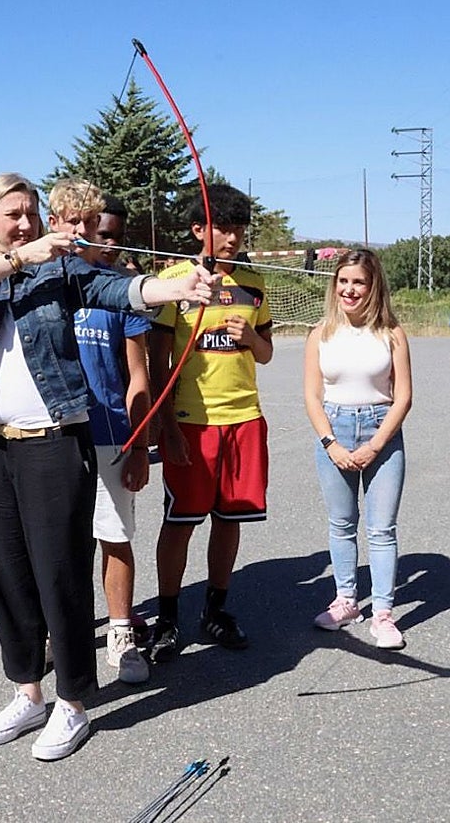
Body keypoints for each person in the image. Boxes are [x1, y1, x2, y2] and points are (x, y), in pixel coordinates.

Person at [0, 173, 214, 761]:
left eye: (32, 212)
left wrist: (180, 287)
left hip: (54, 442)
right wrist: (14, 258)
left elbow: (121, 292)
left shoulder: (63, 270)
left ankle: (74, 703)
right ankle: (28, 692)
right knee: (7, 572)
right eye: (14, 214)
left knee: (59, 572)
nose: (27, 222)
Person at [147, 184, 273, 661]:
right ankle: (167, 619)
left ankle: (216, 611)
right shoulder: (173, 282)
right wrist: (167, 426)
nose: (232, 237)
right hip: (191, 424)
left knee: (230, 519)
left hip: (245, 419)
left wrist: (249, 339)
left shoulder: (254, 284)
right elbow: (158, 363)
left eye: (239, 228)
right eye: (223, 227)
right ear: (199, 229)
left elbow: (265, 353)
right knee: (180, 522)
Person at [55, 187, 151, 685]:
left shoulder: (121, 291)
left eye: (111, 234)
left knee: (115, 537)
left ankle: (120, 633)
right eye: (93, 230)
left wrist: (139, 445)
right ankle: (59, 634)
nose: (102, 242)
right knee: (59, 544)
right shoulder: (48, 283)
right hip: (56, 437)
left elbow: (138, 376)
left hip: (112, 435)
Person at [303, 249, 412, 650]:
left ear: (373, 286)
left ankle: (383, 612)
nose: (350, 290)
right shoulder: (320, 334)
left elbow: (403, 397)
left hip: (381, 431)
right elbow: (313, 397)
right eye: (343, 281)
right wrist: (330, 443)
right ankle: (346, 601)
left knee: (382, 529)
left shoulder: (391, 333)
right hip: (335, 429)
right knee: (342, 524)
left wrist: (376, 444)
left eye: (359, 282)